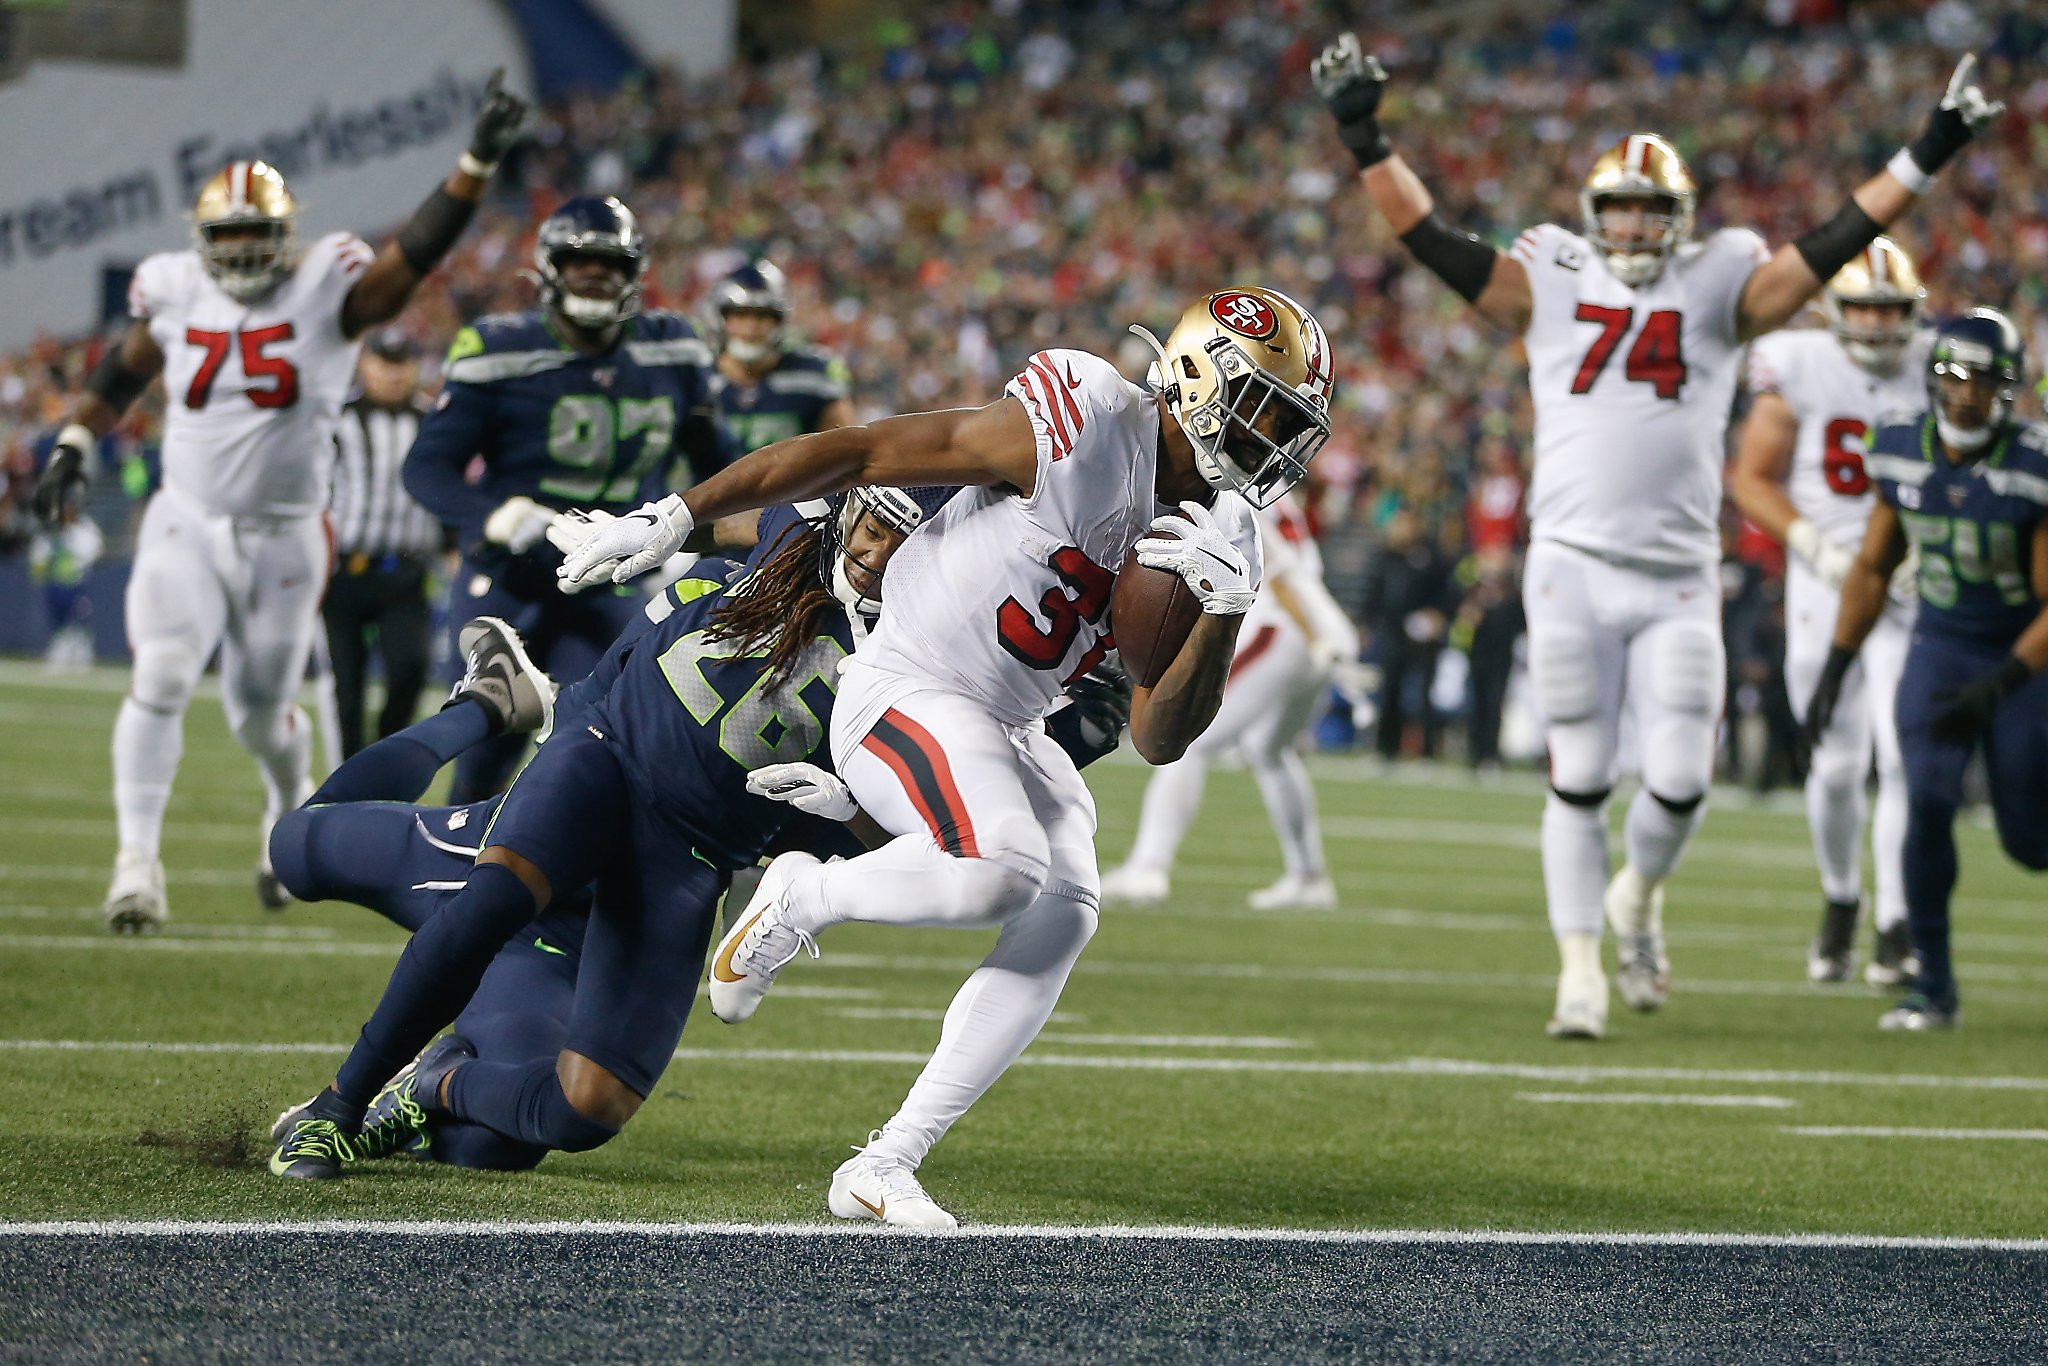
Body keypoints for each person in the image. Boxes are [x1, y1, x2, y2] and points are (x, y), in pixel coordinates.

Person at [553, 286, 1333, 1228]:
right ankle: (804, 894)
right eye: (1262, 413)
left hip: (1003, 720)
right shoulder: (1085, 419)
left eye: (1289, 427)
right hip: (908, 680)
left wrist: (1225, 610)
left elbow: (1161, 737)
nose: (1272, 447)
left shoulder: (1226, 530)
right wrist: (678, 515)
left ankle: (886, 1161)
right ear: (1199, 378)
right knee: (1002, 866)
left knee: (1066, 905)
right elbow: (863, 452)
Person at [1311, 34, 2003, 1040]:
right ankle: (1576, 967)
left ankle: (1637, 896)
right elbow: (1431, 240)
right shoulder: (1548, 277)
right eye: (1620, 207)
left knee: (1680, 781)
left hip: (1678, 574)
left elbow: (1832, 239)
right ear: (1595, 217)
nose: (1634, 224)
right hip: (1571, 567)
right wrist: (1363, 134)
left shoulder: (1720, 281)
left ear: (1678, 219)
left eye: (1649, 208)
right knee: (1579, 771)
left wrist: (1928, 150)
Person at [268, 485, 932, 1179]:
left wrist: (841, 810)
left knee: (558, 1120)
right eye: (873, 525)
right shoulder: (796, 531)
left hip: (647, 879)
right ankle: (337, 1109)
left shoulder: (926, 656)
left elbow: (922, 839)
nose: (874, 552)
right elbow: (740, 517)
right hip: (594, 771)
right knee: (304, 853)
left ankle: (429, 1083)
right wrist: (662, 524)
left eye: (903, 542)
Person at [30, 75, 529, 932]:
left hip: (287, 534)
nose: (242, 251)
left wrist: (474, 163)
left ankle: (283, 804)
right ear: (203, 239)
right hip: (186, 519)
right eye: (228, 235)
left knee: (261, 707)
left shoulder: (324, 287)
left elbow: (410, 258)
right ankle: (135, 865)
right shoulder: (175, 287)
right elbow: (123, 368)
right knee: (157, 677)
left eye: (257, 235)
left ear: (285, 236)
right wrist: (77, 440)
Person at [401, 195, 728, 804]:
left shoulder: (673, 349)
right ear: (549, 268)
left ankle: (570, 887)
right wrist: (496, 514)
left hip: (615, 577)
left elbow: (719, 464)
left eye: (611, 263)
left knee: (602, 745)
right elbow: (427, 467)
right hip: (513, 573)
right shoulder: (499, 348)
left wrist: (691, 537)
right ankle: (463, 875)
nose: (596, 275)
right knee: (487, 743)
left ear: (635, 275)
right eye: (580, 262)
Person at [1803, 308, 2048, 1032]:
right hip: (1939, 646)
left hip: (2022, 657)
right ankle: (1932, 985)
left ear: (2010, 390)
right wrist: (1837, 665)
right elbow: (1875, 564)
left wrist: (2003, 683)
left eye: (1983, 380)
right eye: (1953, 376)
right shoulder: (1901, 446)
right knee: (1926, 796)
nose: (1966, 394)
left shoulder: (2033, 467)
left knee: (2030, 843)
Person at [1728, 240, 1929, 986]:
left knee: (1905, 753)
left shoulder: (1939, 365)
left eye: (1890, 310)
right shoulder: (1798, 362)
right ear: (1833, 311)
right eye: (1863, 309)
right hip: (1826, 580)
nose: (1877, 326)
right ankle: (1842, 898)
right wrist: (1814, 547)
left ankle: (1897, 921)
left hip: (1911, 582)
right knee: (1837, 764)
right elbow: (1751, 478)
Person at [1101, 491, 1360, 909]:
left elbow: (1277, 573)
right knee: (1269, 750)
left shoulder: (1239, 495)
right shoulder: (1279, 495)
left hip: (1286, 628)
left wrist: (1313, 637)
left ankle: (1148, 867)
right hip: (1321, 628)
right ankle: (1309, 875)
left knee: (1187, 740)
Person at [323, 330, 445, 758]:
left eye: (401, 363)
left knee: (409, 668)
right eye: (384, 363)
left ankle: (383, 756)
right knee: (347, 684)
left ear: (414, 366)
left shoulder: (433, 419)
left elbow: (445, 488)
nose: (393, 374)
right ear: (365, 364)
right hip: (342, 572)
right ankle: (348, 777)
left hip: (407, 571)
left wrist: (451, 549)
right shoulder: (337, 418)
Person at [706, 259, 857, 456]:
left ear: (779, 322)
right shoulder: (696, 377)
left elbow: (851, 452)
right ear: (722, 319)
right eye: (741, 316)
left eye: (762, 317)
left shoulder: (813, 375)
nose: (751, 328)